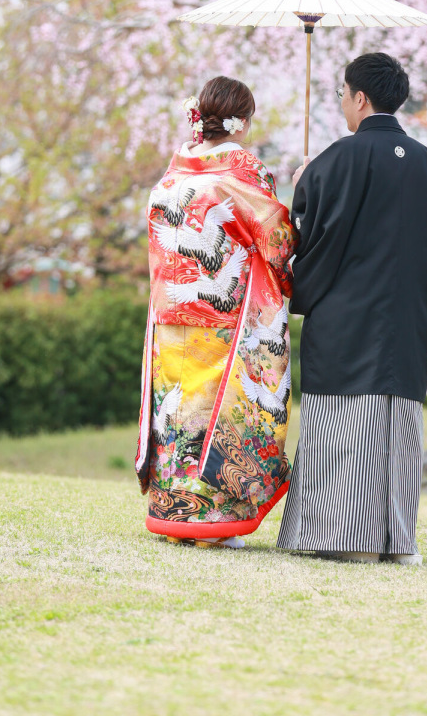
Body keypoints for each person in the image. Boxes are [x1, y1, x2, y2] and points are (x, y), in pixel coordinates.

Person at [277, 52, 427, 565]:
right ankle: (396, 541)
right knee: (397, 427)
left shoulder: (337, 159)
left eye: (342, 93)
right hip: (407, 321)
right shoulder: (426, 162)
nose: (340, 102)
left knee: (340, 422)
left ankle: (342, 539)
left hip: (345, 317)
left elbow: (306, 237)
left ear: (360, 98)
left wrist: (303, 186)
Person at [136, 75, 296, 548]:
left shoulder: (168, 180)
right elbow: (276, 240)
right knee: (216, 413)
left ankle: (174, 513)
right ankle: (214, 520)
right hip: (225, 318)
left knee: (177, 411)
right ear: (242, 123)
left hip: (170, 316)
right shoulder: (240, 177)